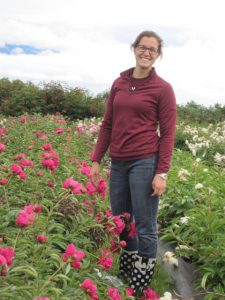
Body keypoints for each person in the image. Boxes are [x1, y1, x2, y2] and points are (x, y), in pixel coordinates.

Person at [90, 30, 176, 296]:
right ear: (134, 48)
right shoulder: (120, 82)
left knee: (146, 225)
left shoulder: (162, 89)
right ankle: (126, 274)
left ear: (158, 54)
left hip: (144, 161)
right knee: (122, 220)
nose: (146, 52)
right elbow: (107, 124)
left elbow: (168, 132)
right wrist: (96, 159)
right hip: (118, 163)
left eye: (152, 49)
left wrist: (161, 172)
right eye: (143, 47)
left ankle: (140, 286)